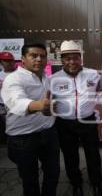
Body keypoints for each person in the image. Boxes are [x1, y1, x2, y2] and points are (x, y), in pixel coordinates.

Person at [1, 43, 60, 196]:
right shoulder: (13, 79)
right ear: (23, 59)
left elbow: (51, 103)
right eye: (33, 55)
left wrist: (52, 109)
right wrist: (39, 105)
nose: (39, 59)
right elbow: (16, 101)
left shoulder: (46, 78)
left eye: (42, 56)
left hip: (48, 134)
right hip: (23, 139)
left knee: (53, 174)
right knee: (30, 181)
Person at [51, 40, 102, 196]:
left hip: (88, 121)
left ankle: (96, 183)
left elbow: (101, 89)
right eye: (67, 58)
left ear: (81, 58)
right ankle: (76, 184)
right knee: (70, 156)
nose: (72, 61)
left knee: (93, 154)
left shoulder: (93, 74)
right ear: (62, 60)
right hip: (65, 124)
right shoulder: (53, 79)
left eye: (75, 57)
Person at [0, 52, 16, 143]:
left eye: (10, 60)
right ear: (1, 62)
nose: (9, 63)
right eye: (5, 61)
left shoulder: (19, 74)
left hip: (14, 105)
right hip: (1, 105)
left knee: (14, 125)